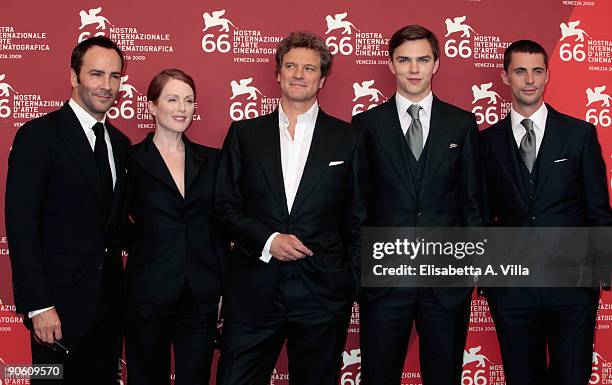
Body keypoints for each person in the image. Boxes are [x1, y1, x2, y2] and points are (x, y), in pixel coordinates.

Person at [214, 31, 359, 385]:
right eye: (291, 66)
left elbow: (359, 216)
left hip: (321, 294)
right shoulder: (245, 134)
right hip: (253, 290)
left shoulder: (349, 138)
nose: (299, 74)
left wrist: (349, 281)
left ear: (322, 79)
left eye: (309, 68)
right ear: (278, 73)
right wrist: (268, 240)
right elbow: (224, 206)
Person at [351, 25, 483, 385]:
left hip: (446, 285)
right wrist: (361, 272)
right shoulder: (366, 125)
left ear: (436, 64)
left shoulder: (462, 124)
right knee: (379, 376)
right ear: (391, 64)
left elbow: (472, 203)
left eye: (422, 60)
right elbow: (357, 206)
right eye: (404, 60)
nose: (413, 69)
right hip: (384, 283)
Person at [480, 39, 612, 385]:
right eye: (520, 71)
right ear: (506, 76)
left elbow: (598, 208)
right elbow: (478, 212)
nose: (529, 80)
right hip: (511, 289)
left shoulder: (579, 135)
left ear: (547, 76)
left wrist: (599, 273)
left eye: (537, 71)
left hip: (572, 286)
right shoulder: (485, 143)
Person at [5, 36, 129, 384]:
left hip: (108, 311)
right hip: (55, 313)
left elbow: (115, 227)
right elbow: (21, 226)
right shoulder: (39, 135)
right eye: (96, 74)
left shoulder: (119, 144)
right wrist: (39, 305)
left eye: (115, 76)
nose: (107, 86)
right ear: (74, 77)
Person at [124, 68, 225, 385]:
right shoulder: (130, 160)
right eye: (172, 99)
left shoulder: (213, 161)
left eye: (189, 100)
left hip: (200, 295)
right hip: (148, 291)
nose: (182, 108)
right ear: (152, 106)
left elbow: (221, 228)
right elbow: (112, 221)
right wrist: (148, 243)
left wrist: (221, 287)